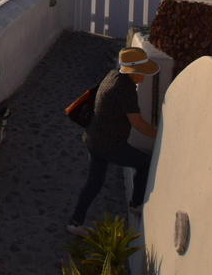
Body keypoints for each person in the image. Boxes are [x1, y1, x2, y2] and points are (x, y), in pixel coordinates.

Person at [68, 47, 159, 235]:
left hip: (93, 138)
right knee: (145, 162)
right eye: (142, 71)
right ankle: (136, 203)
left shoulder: (113, 76)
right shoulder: (126, 90)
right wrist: (160, 136)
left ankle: (76, 222)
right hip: (109, 145)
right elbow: (137, 123)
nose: (144, 76)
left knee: (94, 182)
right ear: (134, 73)